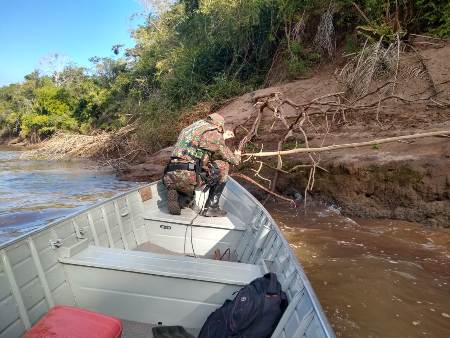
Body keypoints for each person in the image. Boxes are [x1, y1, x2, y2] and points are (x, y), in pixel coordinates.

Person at [163, 113, 241, 217]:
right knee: (223, 165)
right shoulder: (214, 134)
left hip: (169, 173)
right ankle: (212, 207)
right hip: (188, 176)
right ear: (218, 126)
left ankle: (180, 195)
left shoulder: (189, 129)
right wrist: (237, 155)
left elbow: (197, 145)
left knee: (191, 163)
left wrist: (221, 139)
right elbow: (232, 159)